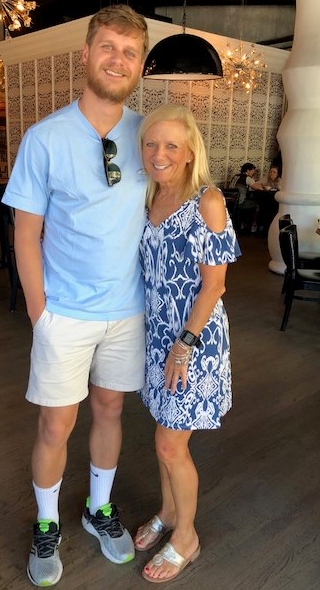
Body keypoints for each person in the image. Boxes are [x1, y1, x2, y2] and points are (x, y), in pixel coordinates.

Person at [1, 5, 149, 587]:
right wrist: (40, 314)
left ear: (139, 65)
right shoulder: (46, 138)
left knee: (110, 410)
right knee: (55, 424)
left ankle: (98, 508)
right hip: (64, 313)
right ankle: (46, 523)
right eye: (108, 47)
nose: (118, 59)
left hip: (127, 310)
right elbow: (25, 234)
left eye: (130, 52)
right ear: (86, 55)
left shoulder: (148, 136)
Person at [134, 104, 241, 583]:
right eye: (151, 144)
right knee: (163, 434)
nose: (159, 154)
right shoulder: (150, 195)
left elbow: (215, 285)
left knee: (169, 443)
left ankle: (186, 538)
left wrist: (184, 345)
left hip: (193, 341)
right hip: (156, 335)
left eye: (171, 145)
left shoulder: (207, 200)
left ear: (190, 151)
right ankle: (169, 512)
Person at [231, 162, 263, 233]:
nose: (253, 173)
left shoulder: (235, 176)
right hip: (240, 203)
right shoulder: (247, 178)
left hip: (231, 203)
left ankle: (242, 223)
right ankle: (252, 225)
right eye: (252, 171)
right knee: (256, 204)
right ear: (248, 170)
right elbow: (260, 188)